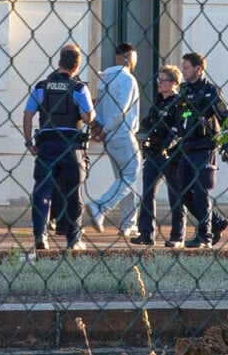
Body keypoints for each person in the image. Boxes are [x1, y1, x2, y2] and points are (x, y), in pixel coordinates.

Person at [22, 44, 95, 251]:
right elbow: (87, 116)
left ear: (59, 62)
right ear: (76, 66)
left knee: (42, 190)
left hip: (46, 143)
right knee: (74, 193)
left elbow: (27, 115)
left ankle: (41, 234)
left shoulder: (41, 87)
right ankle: (73, 239)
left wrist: (29, 142)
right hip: (72, 145)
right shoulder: (79, 88)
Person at [170, 52, 228, 249]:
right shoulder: (184, 90)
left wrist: (227, 147)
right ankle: (216, 222)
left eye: (186, 68)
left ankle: (204, 236)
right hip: (186, 147)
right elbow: (179, 117)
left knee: (201, 193)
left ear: (198, 69)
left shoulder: (210, 92)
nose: (183, 71)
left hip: (205, 148)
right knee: (183, 193)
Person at [88, 43, 142, 237]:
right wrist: (104, 130)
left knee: (124, 179)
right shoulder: (127, 79)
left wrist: (99, 128)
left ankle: (128, 223)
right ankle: (100, 206)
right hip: (123, 133)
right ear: (128, 58)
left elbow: (100, 109)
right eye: (134, 57)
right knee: (130, 176)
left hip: (111, 136)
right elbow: (121, 110)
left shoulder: (105, 78)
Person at [131, 65, 185, 247]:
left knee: (175, 196)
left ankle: (177, 236)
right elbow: (148, 121)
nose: (159, 84)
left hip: (171, 155)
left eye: (163, 80)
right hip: (153, 152)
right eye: (158, 80)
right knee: (147, 193)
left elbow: (180, 128)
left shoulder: (180, 103)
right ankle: (146, 233)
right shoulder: (158, 101)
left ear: (173, 83)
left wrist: (168, 143)